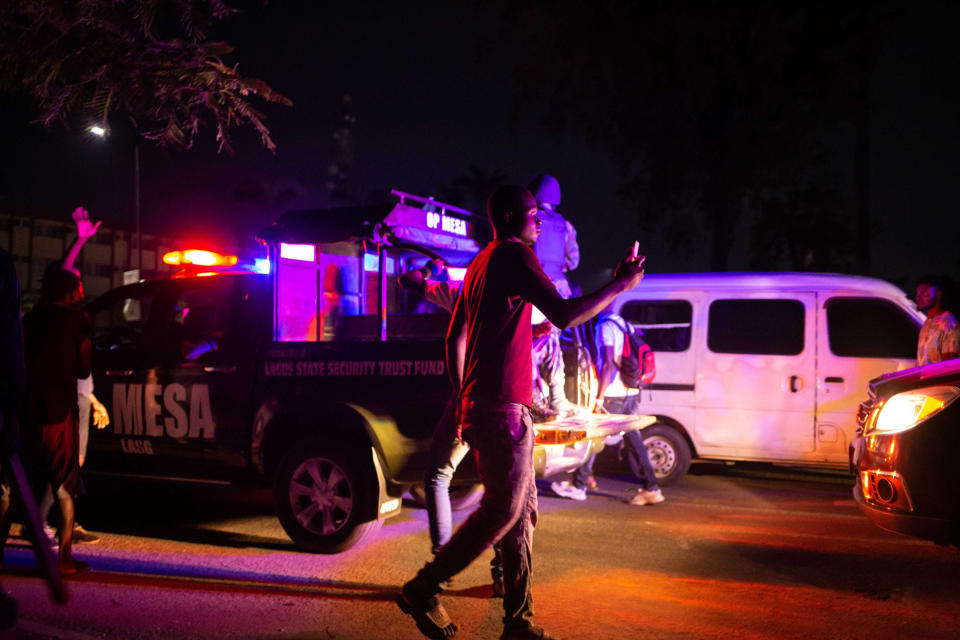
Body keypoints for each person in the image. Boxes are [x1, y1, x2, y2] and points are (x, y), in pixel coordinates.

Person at [396, 184, 645, 640]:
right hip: (500, 408)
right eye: (534, 213)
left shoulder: (480, 263)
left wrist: (462, 397)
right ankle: (423, 586)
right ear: (512, 217)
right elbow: (567, 315)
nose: (541, 221)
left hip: (488, 404)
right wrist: (620, 285)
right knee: (504, 510)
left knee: (521, 515)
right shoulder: (513, 255)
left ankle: (519, 623)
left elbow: (455, 338)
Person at [398, 259, 505, 597]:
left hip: (471, 397)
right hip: (509, 402)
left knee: (437, 476)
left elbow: (409, 281)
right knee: (504, 492)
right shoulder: (522, 300)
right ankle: (503, 574)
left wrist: (431, 268)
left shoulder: (462, 291)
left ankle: (442, 567)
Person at [550, 303, 665, 506]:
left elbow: (608, 363)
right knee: (634, 440)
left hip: (613, 393)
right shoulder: (623, 324)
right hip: (630, 392)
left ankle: (579, 485)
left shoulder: (604, 326)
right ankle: (651, 487)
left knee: (593, 436)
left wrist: (600, 397)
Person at [23, 267, 93, 575]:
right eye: (78, 286)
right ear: (69, 292)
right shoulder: (78, 321)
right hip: (59, 412)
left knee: (14, 486)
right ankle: (64, 559)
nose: (82, 290)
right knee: (65, 486)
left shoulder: (30, 320)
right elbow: (83, 368)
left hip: (26, 410)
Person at [916, 276, 960, 366]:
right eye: (917, 294)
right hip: (926, 379)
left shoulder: (948, 323)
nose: (918, 297)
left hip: (937, 379)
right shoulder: (927, 323)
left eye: (924, 293)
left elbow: (949, 365)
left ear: (938, 293)